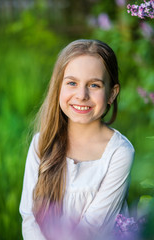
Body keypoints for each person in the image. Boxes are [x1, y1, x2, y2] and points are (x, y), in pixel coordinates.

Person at [19, 39, 135, 240]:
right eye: (72, 83)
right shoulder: (42, 143)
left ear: (112, 93)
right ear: (58, 88)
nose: (82, 95)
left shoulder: (119, 153)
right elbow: (30, 218)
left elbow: (92, 229)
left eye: (94, 85)